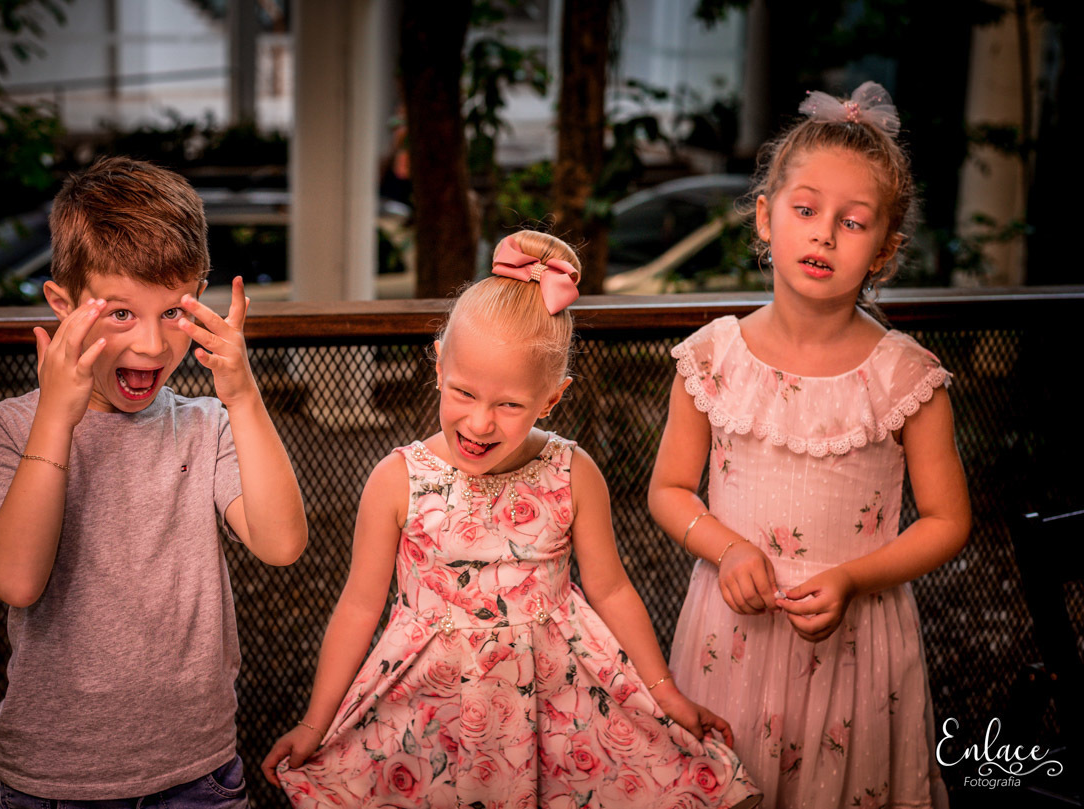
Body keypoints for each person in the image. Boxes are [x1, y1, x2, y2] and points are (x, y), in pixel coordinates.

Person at [262, 231, 762, 808]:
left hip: (557, 709)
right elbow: (358, 606)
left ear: (551, 399)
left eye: (509, 405)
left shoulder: (573, 473)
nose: (479, 422)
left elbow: (612, 588)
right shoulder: (397, 480)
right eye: (463, 392)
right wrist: (314, 722)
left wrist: (664, 692)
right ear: (438, 362)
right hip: (432, 713)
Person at [648, 83, 972, 809]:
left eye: (853, 223)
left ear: (884, 249)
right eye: (805, 211)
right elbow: (668, 489)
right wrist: (726, 546)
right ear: (766, 218)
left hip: (855, 649)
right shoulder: (710, 359)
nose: (824, 234)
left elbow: (949, 519)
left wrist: (856, 578)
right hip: (729, 637)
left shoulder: (907, 378)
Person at [0, 156, 307, 806]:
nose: (152, 345)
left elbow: (282, 541)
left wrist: (241, 392)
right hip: (53, 781)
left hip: (198, 774)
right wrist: (56, 420)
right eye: (120, 313)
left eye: (173, 312)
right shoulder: (8, 429)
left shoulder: (207, 424)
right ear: (62, 305)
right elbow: (16, 578)